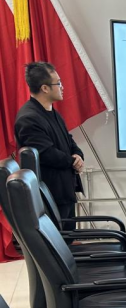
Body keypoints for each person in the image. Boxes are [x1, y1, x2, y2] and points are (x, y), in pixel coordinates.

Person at [15, 62, 85, 228]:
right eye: (58, 83)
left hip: (65, 189)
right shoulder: (28, 118)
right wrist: (73, 161)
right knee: (58, 240)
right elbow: (46, 154)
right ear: (45, 88)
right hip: (51, 193)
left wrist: (78, 155)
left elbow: (68, 140)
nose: (62, 87)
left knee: (68, 237)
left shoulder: (52, 112)